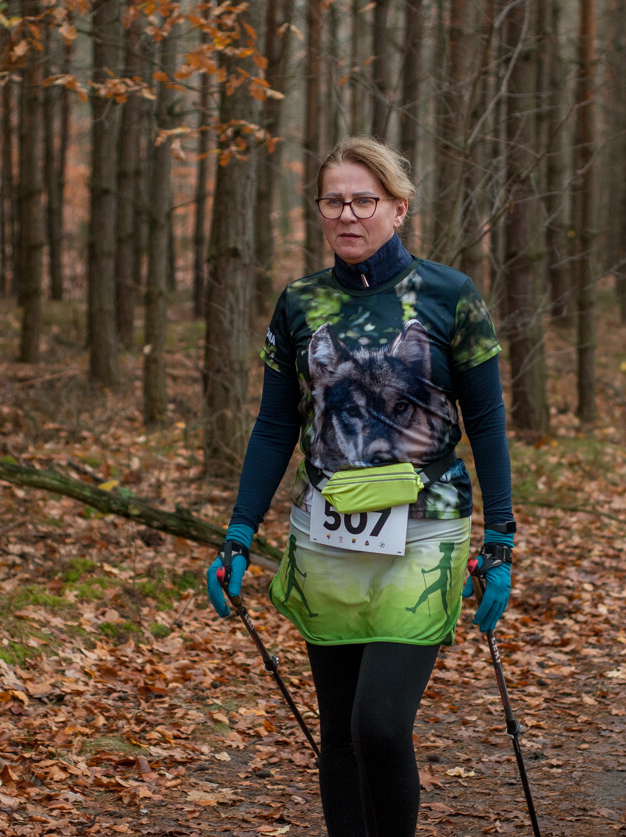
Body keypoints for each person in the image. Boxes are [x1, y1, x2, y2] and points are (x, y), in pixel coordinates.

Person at [204, 136, 515, 837]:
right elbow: (274, 425)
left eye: (363, 200)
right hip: (328, 534)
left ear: (398, 208)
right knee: (339, 729)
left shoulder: (450, 297)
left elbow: (488, 424)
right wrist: (239, 531)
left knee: (379, 722)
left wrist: (501, 538)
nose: (348, 214)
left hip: (426, 530)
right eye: (333, 200)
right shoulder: (300, 303)